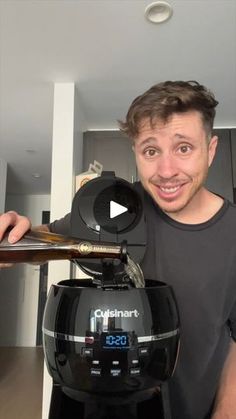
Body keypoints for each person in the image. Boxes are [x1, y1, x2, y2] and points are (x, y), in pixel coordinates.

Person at [0, 80, 236, 419]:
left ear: (211, 150)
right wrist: (15, 231)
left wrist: (226, 413)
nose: (166, 172)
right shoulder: (115, 205)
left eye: (183, 148)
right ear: (136, 153)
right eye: (151, 151)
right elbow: (45, 236)